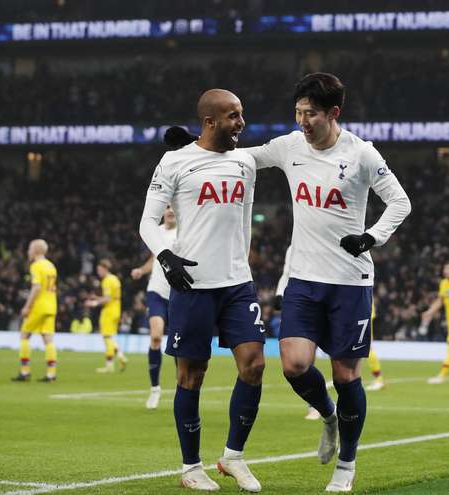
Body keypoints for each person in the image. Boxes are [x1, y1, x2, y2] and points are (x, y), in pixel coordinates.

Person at [165, 74, 410, 492]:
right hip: (302, 277)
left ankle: (346, 466)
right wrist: (193, 141)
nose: (302, 121)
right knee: (294, 365)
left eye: (310, 114)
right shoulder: (289, 146)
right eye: (298, 112)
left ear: (332, 113)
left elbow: (400, 201)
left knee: (346, 374)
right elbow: (238, 157)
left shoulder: (363, 154)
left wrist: (371, 236)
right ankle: (329, 417)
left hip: (350, 280)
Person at [141, 89, 265, 492]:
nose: (241, 123)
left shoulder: (246, 161)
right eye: (233, 116)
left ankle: (233, 458)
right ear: (210, 122)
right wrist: (165, 255)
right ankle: (191, 467)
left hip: (236, 283)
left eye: (241, 115)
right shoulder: (174, 162)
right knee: (192, 376)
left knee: (255, 365)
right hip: (193, 285)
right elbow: (147, 222)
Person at [131, 206, 177, 409]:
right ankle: (155, 389)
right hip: (156, 291)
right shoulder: (156, 232)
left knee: (178, 346)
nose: (170, 210)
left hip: (179, 293)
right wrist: (142, 270)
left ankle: (181, 387)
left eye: (174, 207)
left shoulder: (186, 231)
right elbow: (154, 258)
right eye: (167, 207)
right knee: (156, 336)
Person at [12, 239, 58, 382]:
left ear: (36, 251)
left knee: (24, 335)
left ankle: (25, 372)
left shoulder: (36, 266)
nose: (28, 252)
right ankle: (51, 373)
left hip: (39, 305)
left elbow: (37, 287)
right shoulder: (51, 266)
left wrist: (27, 306)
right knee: (48, 339)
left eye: (30, 249)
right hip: (51, 305)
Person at [86, 259, 127, 373]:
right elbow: (113, 297)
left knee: (106, 337)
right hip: (116, 309)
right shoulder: (115, 279)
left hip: (108, 311)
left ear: (105, 269)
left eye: (99, 270)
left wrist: (93, 303)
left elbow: (107, 299)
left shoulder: (107, 281)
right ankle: (120, 356)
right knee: (110, 337)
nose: (98, 272)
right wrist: (97, 297)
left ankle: (109, 366)